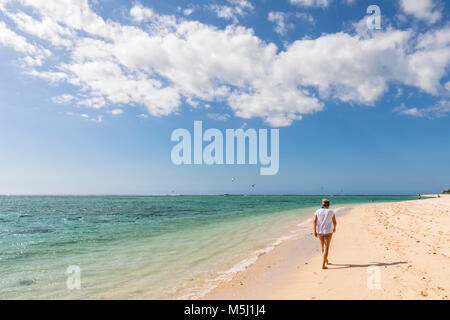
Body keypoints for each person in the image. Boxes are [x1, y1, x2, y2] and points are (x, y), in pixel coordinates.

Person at [314, 199, 337, 269]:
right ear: (328, 205)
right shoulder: (331, 211)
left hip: (319, 231)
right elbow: (335, 222)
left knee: (322, 247)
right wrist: (334, 227)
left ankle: (326, 260)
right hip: (328, 232)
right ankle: (323, 265)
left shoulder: (317, 211)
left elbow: (314, 221)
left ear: (322, 204)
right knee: (327, 248)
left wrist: (314, 231)